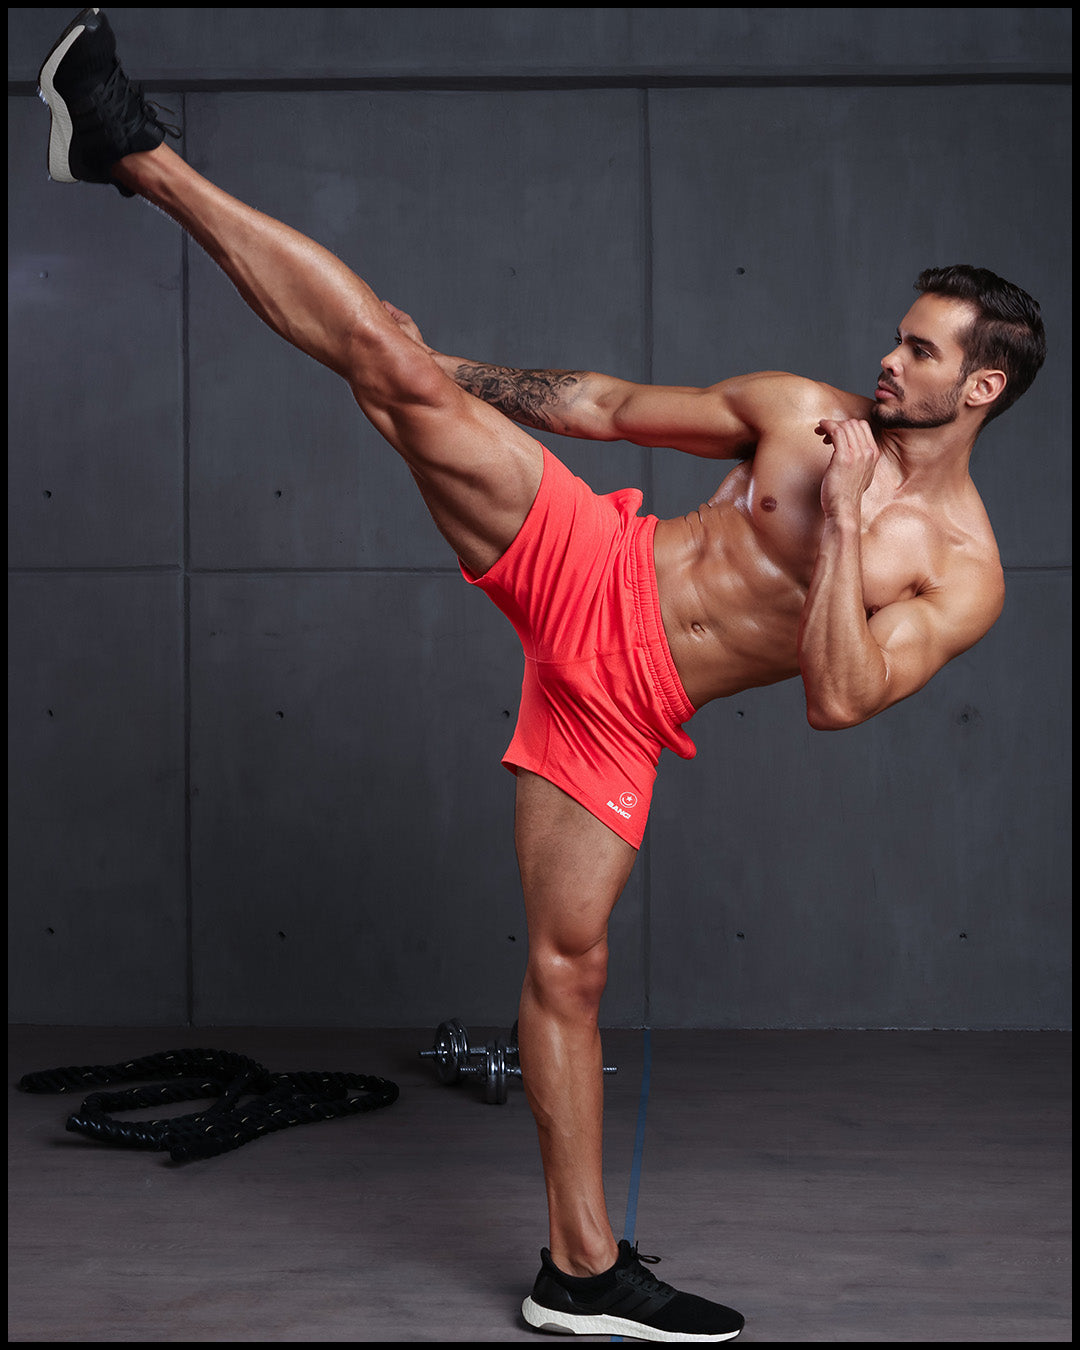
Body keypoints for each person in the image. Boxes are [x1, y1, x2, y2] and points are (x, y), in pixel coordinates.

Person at [37, 9, 1046, 1344]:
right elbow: (613, 408)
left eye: (921, 351)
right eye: (897, 337)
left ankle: (577, 1269)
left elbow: (836, 698)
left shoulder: (963, 570)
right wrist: (413, 366)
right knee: (388, 351)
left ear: (979, 387)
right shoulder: (805, 412)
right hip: (592, 564)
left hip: (624, 707)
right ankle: (134, 151)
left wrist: (850, 524)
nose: (887, 358)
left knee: (569, 973)